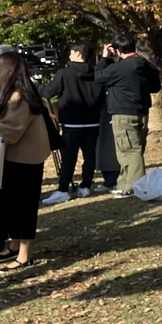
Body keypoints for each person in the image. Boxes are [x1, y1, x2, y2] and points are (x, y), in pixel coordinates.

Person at [0, 51, 51, 271]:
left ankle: (24, 255)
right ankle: (16, 246)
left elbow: (9, 129)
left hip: (24, 159)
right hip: (16, 158)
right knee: (14, 205)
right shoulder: (16, 92)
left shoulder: (20, 96)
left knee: (23, 206)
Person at [94, 34, 161, 197]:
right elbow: (155, 87)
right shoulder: (147, 65)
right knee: (130, 151)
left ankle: (135, 187)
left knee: (129, 151)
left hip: (123, 114)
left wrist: (104, 58)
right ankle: (124, 182)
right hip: (142, 112)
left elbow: (99, 77)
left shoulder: (119, 68)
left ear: (116, 50)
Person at [38, 42, 103, 204]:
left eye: (71, 53)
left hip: (72, 122)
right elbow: (102, 97)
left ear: (77, 54)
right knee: (90, 156)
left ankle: (62, 189)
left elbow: (48, 91)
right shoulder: (96, 73)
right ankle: (85, 186)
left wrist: (37, 84)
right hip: (93, 121)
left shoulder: (64, 73)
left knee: (69, 157)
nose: (69, 55)